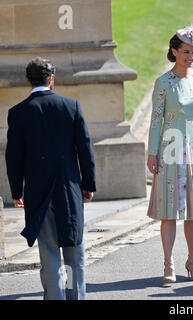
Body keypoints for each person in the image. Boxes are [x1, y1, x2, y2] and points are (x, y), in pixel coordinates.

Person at [5, 58, 96, 299]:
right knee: (74, 253)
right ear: (51, 79)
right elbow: (85, 149)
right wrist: (88, 185)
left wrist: (17, 192)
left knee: (50, 253)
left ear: (28, 80)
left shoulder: (18, 112)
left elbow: (13, 157)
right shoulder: (71, 106)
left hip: (37, 191)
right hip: (69, 189)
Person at [146, 25, 193, 283]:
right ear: (174, 51)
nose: (190, 56)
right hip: (170, 151)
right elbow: (156, 120)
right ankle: (168, 263)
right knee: (169, 210)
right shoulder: (163, 83)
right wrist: (152, 153)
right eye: (186, 51)